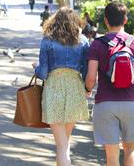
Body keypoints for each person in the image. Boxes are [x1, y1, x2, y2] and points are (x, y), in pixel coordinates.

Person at [86, 2, 134, 166]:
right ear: (126, 19)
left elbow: (91, 78)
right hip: (131, 104)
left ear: (106, 21)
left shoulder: (97, 44)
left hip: (105, 103)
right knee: (130, 150)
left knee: (112, 156)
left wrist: (87, 90)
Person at [34, 8, 90, 166]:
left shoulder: (47, 40)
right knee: (65, 143)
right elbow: (86, 71)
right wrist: (87, 89)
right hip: (75, 88)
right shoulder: (83, 41)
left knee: (62, 145)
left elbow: (43, 73)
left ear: (55, 21)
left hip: (54, 88)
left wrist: (35, 68)